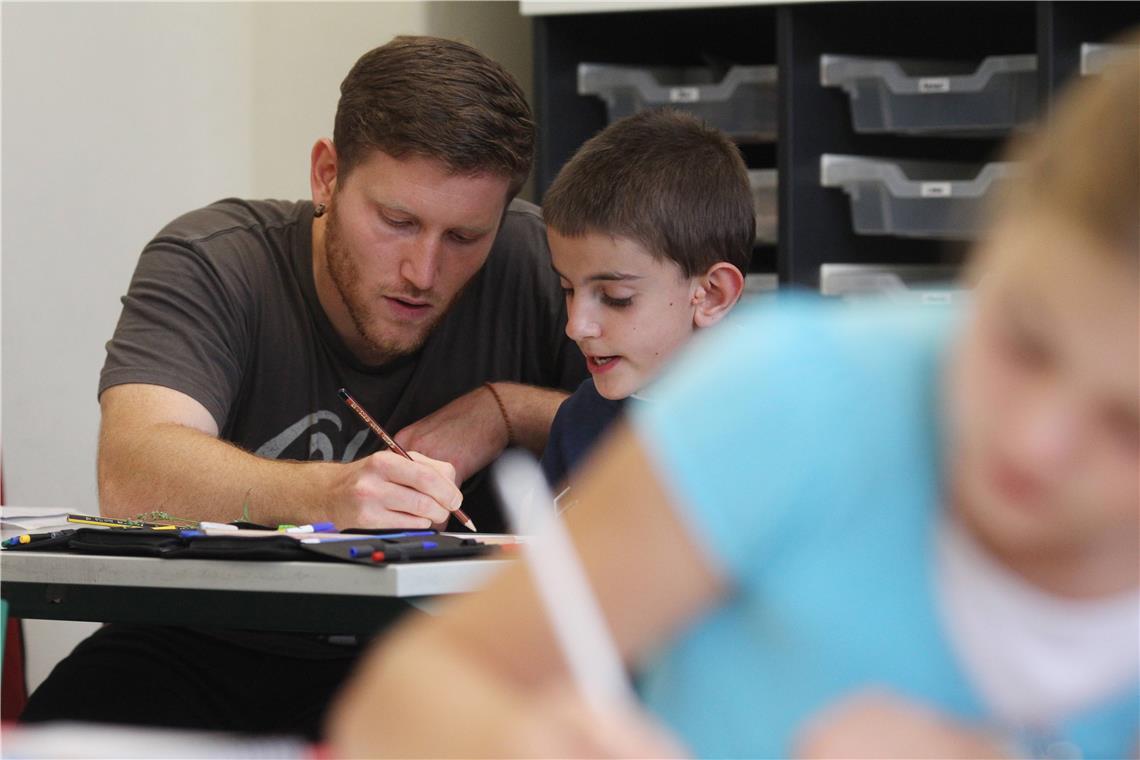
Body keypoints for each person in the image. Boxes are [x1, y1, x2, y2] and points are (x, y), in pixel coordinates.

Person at [328, 45, 1140, 758]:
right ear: (990, 251)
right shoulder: (796, 398)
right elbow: (410, 696)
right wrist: (518, 742)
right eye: (1022, 341)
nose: (1036, 439)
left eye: (1128, 426)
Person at [20, 36, 584, 739]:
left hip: (434, 658)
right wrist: (328, 496)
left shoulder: (539, 262)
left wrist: (511, 410)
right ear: (326, 176)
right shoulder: (215, 260)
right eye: (397, 222)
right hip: (204, 644)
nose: (423, 271)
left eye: (465, 237)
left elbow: (672, 448)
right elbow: (134, 471)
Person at [538, 109, 753, 491]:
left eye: (615, 297)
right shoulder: (580, 420)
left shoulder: (779, 423)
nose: (576, 326)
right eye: (568, 289)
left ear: (711, 295)